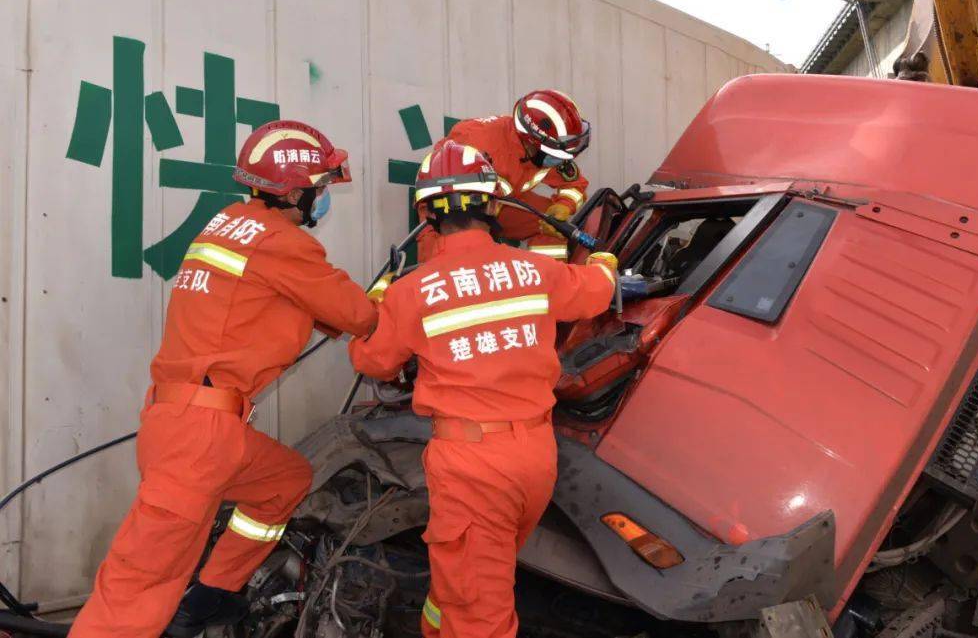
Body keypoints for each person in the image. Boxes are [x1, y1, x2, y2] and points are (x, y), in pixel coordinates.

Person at [69, 121, 379, 638]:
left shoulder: (228, 225)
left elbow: (292, 305)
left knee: (285, 481)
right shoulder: (283, 243)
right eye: (320, 188)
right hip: (200, 437)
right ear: (296, 190)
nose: (323, 199)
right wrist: (391, 299)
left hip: (196, 426)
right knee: (132, 595)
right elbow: (358, 315)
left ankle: (212, 595)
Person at [350, 139, 616, 638]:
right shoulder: (535, 270)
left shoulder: (412, 290)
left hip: (471, 466)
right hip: (536, 456)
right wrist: (604, 260)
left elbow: (373, 361)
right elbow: (597, 292)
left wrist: (380, 298)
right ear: (493, 204)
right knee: (472, 578)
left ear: (426, 213)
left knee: (479, 609)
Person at [416, 89, 592, 262]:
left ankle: (550, 280)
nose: (562, 160)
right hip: (451, 207)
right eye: (559, 154)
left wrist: (564, 206)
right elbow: (459, 209)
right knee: (445, 261)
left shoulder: (544, 149)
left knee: (552, 225)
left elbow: (575, 184)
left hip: (497, 203)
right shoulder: (484, 146)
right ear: (532, 143)